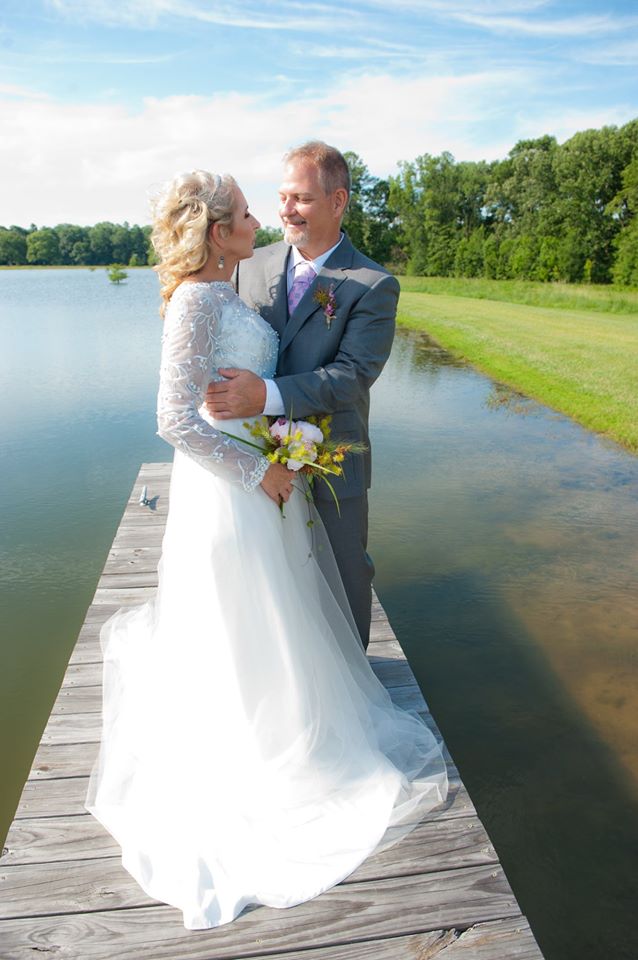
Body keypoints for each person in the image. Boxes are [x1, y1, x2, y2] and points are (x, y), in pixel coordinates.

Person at [85, 169, 447, 931]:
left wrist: (272, 445)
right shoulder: (200, 295)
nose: (266, 217)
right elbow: (175, 420)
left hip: (269, 480)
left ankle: (295, 720)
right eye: (250, 211)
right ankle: (251, 745)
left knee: (275, 611)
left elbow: (331, 372)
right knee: (237, 615)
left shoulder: (246, 286)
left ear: (335, 201)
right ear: (221, 234)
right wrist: (261, 472)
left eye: (285, 200)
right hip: (234, 493)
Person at [206, 141, 398, 648]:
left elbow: (353, 375)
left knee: (346, 573)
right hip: (253, 453)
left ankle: (354, 681)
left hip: (333, 456)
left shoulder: (373, 284)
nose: (286, 210)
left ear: (339, 202)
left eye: (302, 199)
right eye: (283, 196)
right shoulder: (251, 262)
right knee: (266, 574)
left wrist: (263, 395)